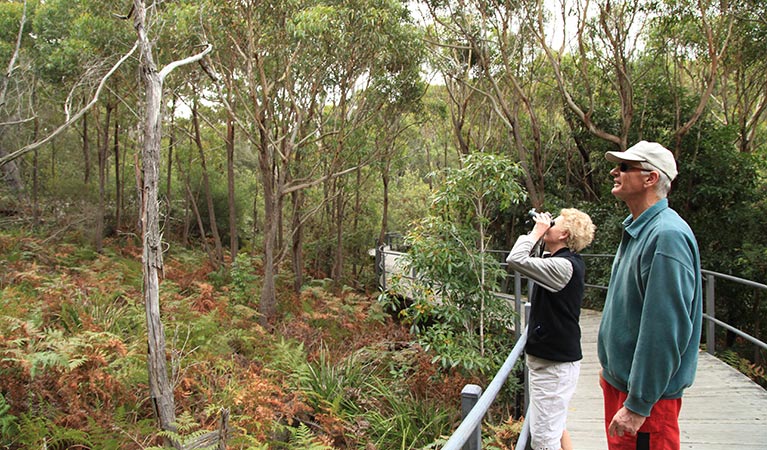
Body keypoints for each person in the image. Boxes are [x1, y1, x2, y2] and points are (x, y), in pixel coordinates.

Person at [598, 141, 703, 450]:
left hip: (647, 404)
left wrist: (638, 403)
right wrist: (611, 367)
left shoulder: (666, 237)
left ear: (650, 178)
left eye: (626, 167)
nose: (614, 172)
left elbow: (664, 331)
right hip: (623, 388)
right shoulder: (638, 228)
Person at [506, 208, 596, 450]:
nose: (548, 224)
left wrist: (537, 232)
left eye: (554, 223)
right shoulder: (559, 261)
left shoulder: (563, 266)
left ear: (564, 234)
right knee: (554, 426)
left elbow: (516, 260)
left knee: (544, 440)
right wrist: (540, 232)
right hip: (552, 361)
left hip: (554, 365)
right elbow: (532, 259)